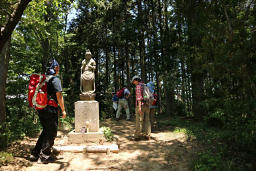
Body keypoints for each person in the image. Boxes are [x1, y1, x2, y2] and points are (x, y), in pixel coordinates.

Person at [30, 59, 66, 164]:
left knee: (46, 131)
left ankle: (35, 153)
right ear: (54, 68)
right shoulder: (55, 79)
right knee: (51, 132)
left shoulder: (44, 79)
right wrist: (63, 110)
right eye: (57, 68)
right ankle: (44, 156)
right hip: (51, 109)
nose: (58, 70)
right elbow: (59, 95)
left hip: (41, 108)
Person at [131, 76, 151, 140]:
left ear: (136, 80)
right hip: (147, 105)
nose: (133, 82)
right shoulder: (145, 85)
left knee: (138, 120)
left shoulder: (138, 86)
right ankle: (147, 135)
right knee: (147, 120)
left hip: (141, 105)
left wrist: (139, 107)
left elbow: (139, 98)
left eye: (134, 81)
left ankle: (137, 136)